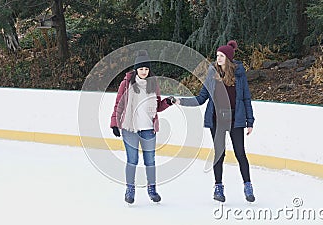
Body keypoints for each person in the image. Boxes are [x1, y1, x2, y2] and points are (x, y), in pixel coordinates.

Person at [174, 40, 256, 203]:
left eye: (221, 56)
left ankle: (248, 186)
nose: (218, 58)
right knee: (220, 153)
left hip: (235, 119)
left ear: (228, 58)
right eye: (217, 55)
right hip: (217, 120)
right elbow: (201, 99)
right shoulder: (211, 76)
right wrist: (180, 101)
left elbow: (246, 98)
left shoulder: (239, 75)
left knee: (240, 153)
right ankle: (218, 187)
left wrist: (250, 121)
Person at [110, 50, 174, 204]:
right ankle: (130, 189)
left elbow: (157, 106)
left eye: (146, 69)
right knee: (132, 160)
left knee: (150, 161)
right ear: (136, 70)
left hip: (148, 130)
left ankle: (152, 189)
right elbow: (119, 104)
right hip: (129, 129)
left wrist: (168, 103)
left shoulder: (153, 84)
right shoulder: (126, 84)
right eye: (141, 69)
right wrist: (114, 123)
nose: (144, 72)